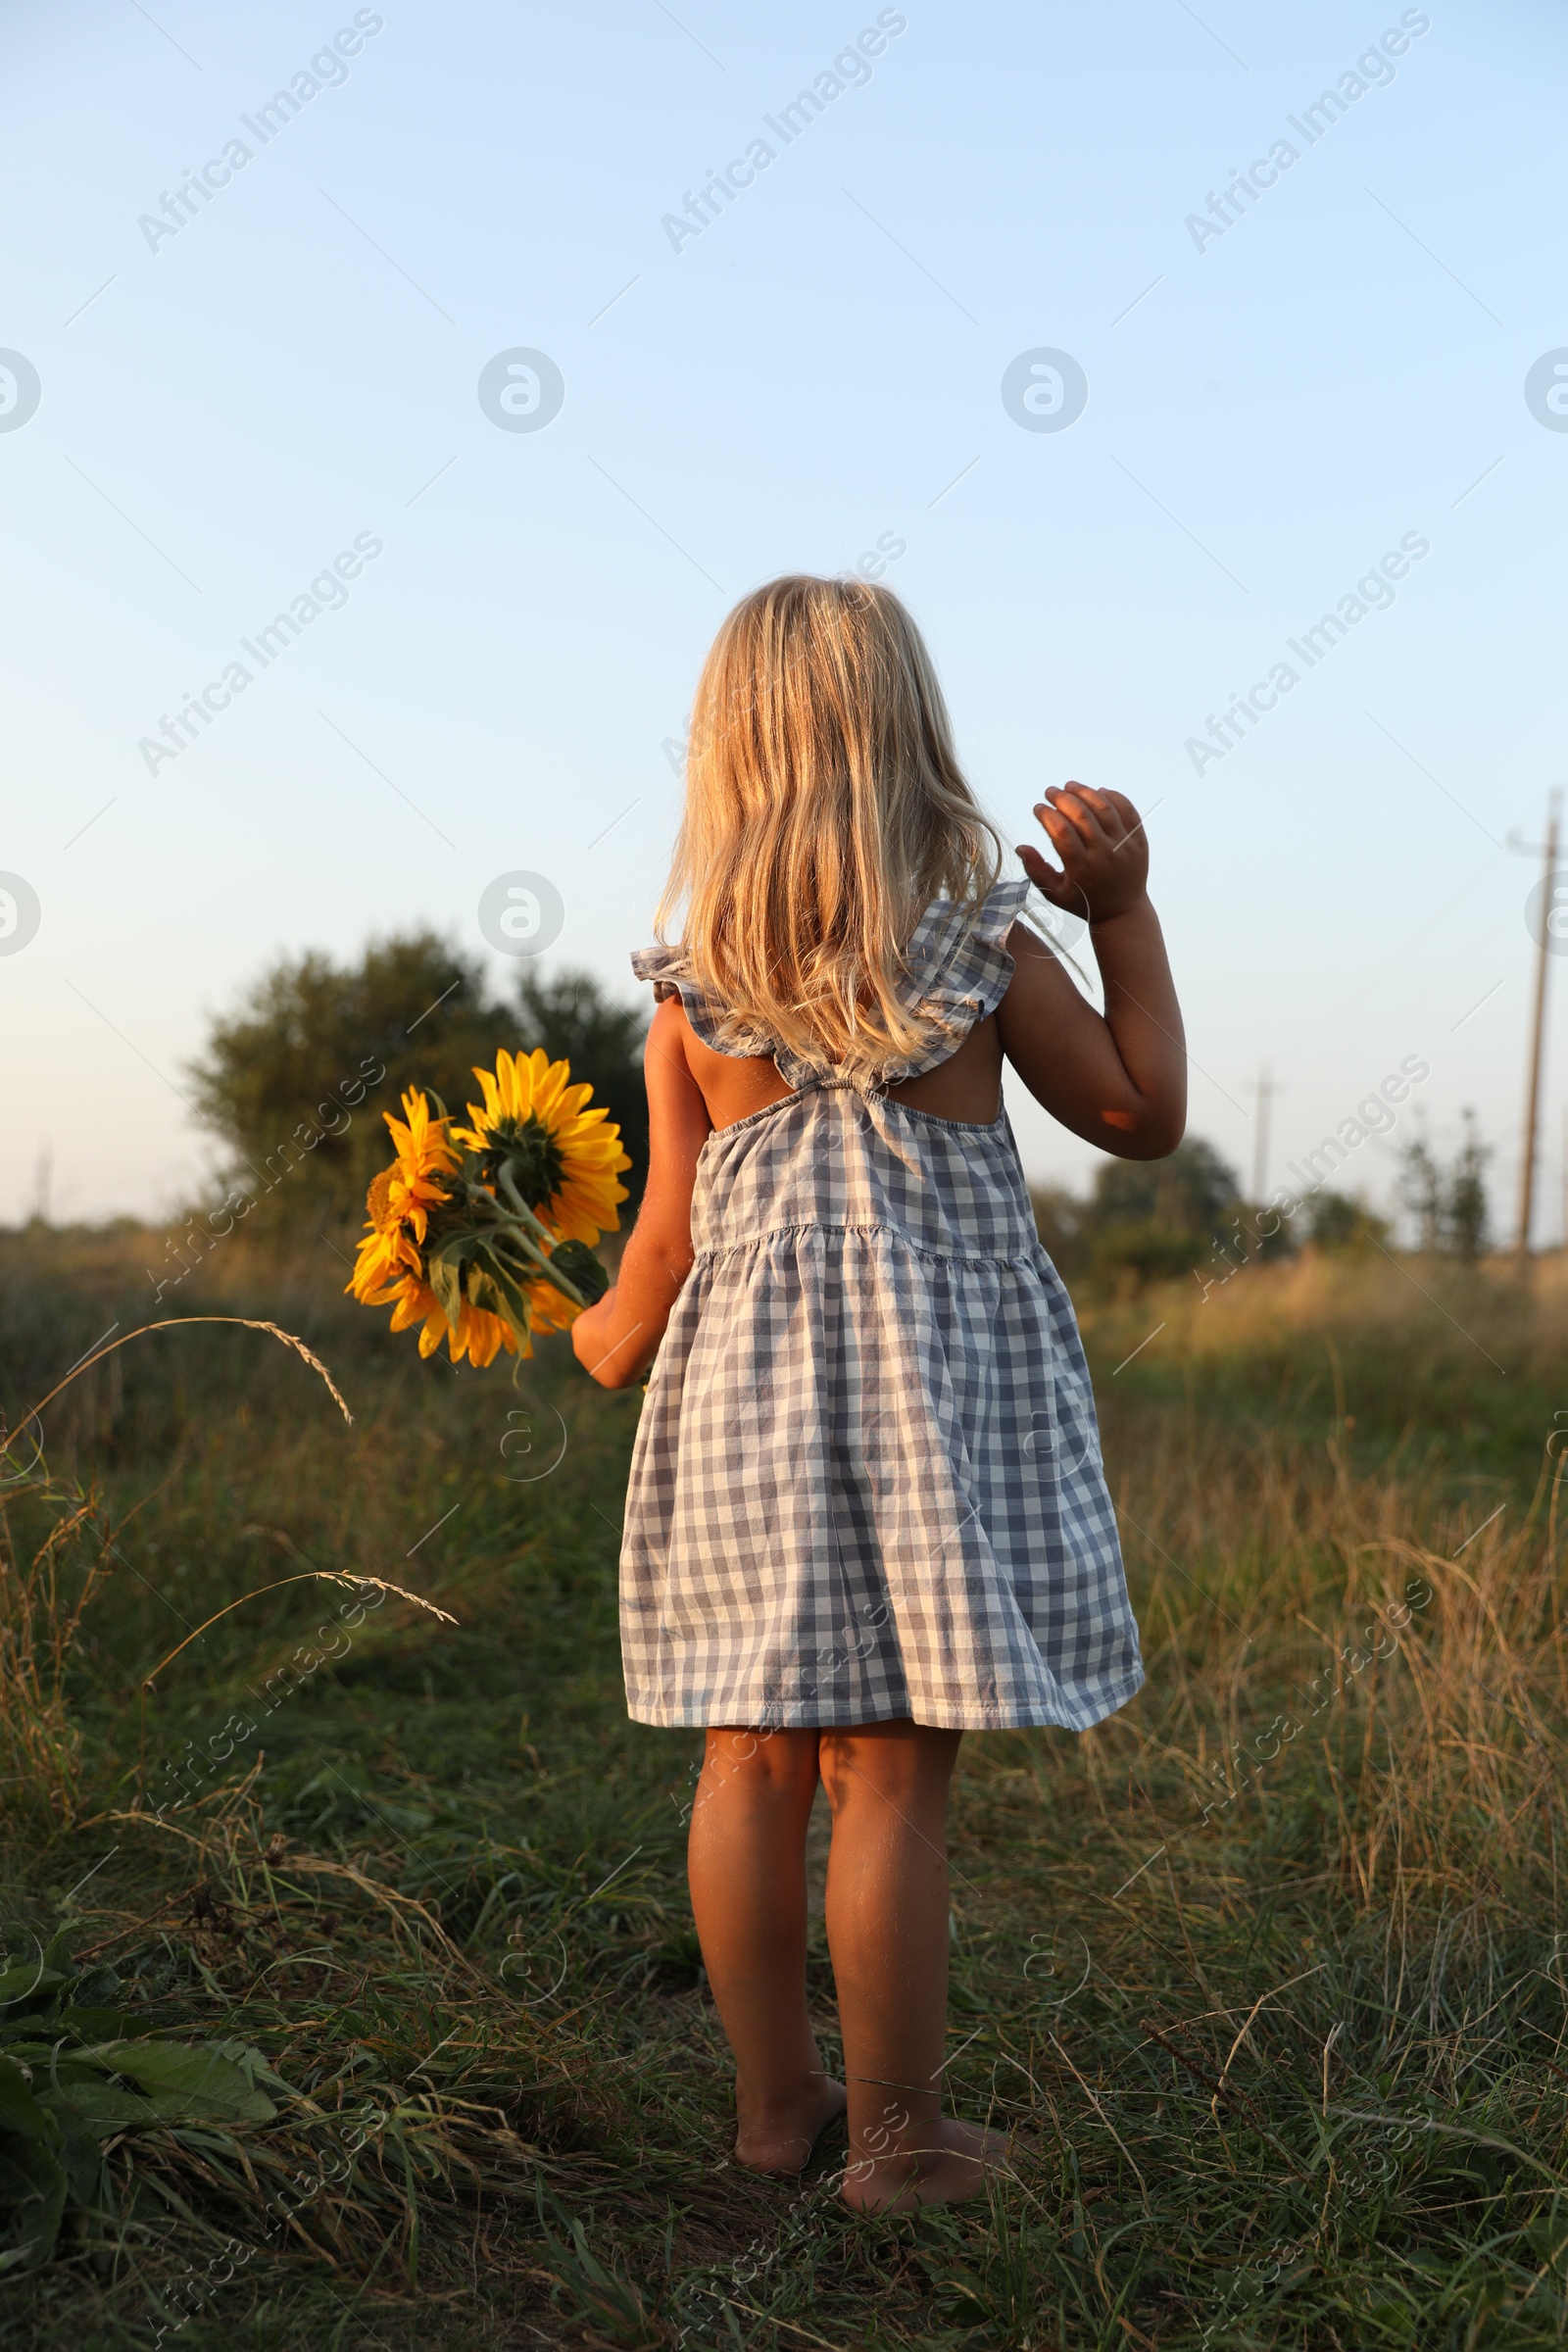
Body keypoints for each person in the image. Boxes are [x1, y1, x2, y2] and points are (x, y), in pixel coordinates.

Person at [571, 575, 1185, 2212]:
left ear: (730, 757)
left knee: (749, 1761)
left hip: (744, 1420)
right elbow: (1137, 1115)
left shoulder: (692, 986)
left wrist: (593, 1333)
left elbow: (658, 1262)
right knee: (890, 1774)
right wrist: (1121, 914)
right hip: (928, 1412)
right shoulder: (979, 943)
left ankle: (779, 2117)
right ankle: (902, 2149)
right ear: (909, 740)